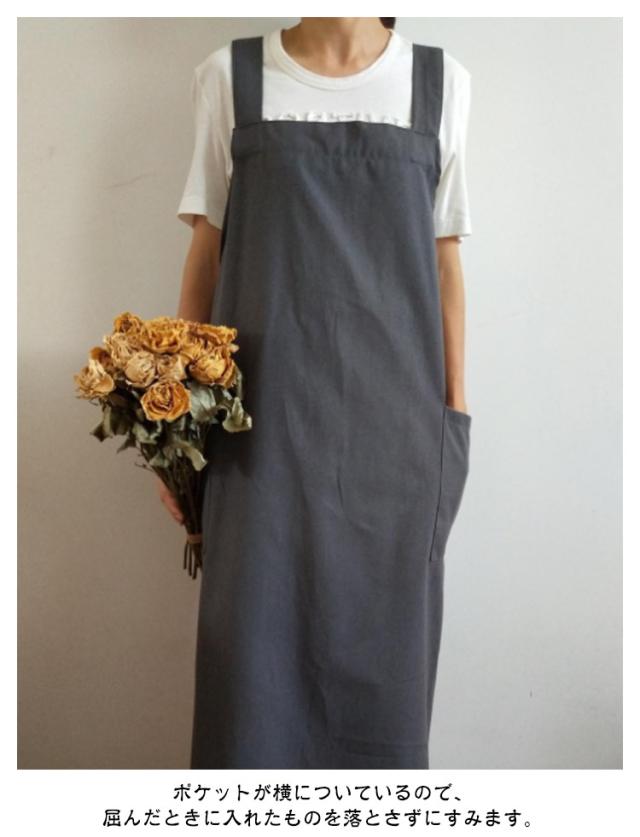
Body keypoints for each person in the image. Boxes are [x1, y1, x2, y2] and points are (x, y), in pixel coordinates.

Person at [163, 17, 472, 769]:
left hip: (397, 444)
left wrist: (454, 419)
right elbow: (206, 253)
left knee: (385, 680)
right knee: (250, 679)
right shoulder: (230, 76)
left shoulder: (439, 84)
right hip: (256, 441)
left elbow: (445, 263)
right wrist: (174, 429)